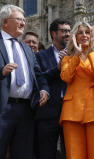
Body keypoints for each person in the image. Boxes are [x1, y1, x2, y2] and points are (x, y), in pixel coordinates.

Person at [0, 4, 49, 159]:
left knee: (24, 154)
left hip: (26, 109)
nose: (23, 23)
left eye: (24, 20)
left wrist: (44, 89)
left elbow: (38, 74)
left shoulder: (27, 48)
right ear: (5, 22)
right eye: (19, 20)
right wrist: (0, 71)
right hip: (0, 109)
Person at [59, 21, 94, 159]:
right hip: (72, 111)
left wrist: (89, 51)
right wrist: (77, 54)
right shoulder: (67, 59)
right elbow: (66, 77)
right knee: (74, 155)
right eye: (80, 32)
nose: (84, 35)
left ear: (92, 36)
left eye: (87, 32)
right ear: (74, 37)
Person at [35, 18, 70, 159]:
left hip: (70, 112)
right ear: (53, 34)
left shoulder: (76, 55)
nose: (67, 34)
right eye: (64, 31)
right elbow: (39, 79)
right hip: (48, 113)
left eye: (69, 31)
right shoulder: (39, 56)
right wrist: (58, 68)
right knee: (46, 153)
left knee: (71, 153)